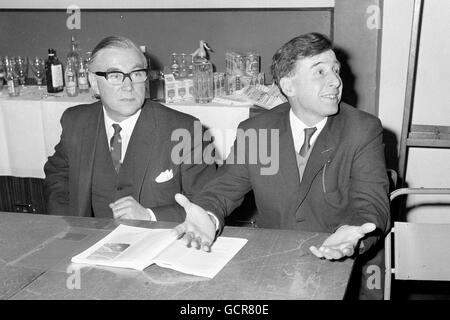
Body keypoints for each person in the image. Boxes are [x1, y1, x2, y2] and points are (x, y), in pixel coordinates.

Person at [173, 33, 390, 298]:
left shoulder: (362, 129)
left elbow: (372, 205)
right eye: (320, 72)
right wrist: (207, 215)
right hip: (274, 262)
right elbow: (223, 188)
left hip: (343, 263)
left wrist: (352, 234)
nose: (335, 81)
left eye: (335, 70)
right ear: (289, 86)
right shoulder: (257, 130)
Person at [44, 35, 216, 222]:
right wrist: (69, 223)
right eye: (115, 76)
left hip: (158, 241)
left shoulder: (185, 130)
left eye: (136, 74)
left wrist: (150, 216)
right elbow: (57, 176)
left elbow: (208, 201)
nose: (128, 86)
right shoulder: (76, 121)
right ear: (94, 82)